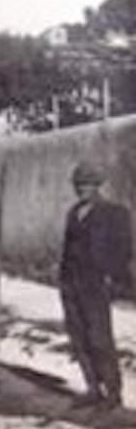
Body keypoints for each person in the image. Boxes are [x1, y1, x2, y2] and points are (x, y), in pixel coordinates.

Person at [59, 161, 133, 410]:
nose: (82, 189)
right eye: (79, 185)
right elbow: (68, 249)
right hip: (71, 283)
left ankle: (112, 392)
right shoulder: (73, 213)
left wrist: (114, 277)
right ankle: (92, 388)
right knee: (78, 336)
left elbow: (123, 249)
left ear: (98, 185)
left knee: (99, 337)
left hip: (95, 283)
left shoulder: (115, 212)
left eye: (88, 184)